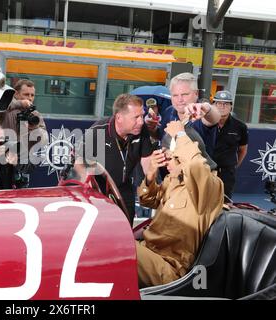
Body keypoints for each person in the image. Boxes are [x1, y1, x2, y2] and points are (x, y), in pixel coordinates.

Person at [135, 120, 224, 288]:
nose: (166, 163)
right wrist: (151, 174)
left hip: (170, 267)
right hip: (149, 251)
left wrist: (180, 134)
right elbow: (148, 200)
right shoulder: (174, 180)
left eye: (171, 157)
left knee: (118, 249)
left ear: (182, 157)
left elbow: (196, 164)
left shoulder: (209, 186)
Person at [80, 93, 154, 225]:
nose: (141, 121)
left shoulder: (142, 130)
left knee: (125, 230)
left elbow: (147, 162)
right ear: (119, 117)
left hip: (124, 189)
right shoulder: (98, 132)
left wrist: (152, 186)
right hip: (99, 193)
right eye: (136, 117)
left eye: (142, 116)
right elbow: (78, 167)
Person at [147, 72, 221, 157]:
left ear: (196, 93)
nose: (179, 99)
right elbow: (160, 136)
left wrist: (207, 108)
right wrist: (152, 128)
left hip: (193, 170)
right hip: (167, 169)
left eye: (184, 94)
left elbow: (215, 118)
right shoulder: (169, 111)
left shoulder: (200, 113)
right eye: (175, 95)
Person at [0, 79, 48, 188]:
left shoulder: (35, 115)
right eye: (26, 94)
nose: (30, 98)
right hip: (2, 162)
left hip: (23, 163)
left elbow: (45, 140)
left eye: (32, 95)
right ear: (16, 93)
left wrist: (34, 128)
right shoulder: (6, 109)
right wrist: (19, 104)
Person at [212, 90, 248, 204]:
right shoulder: (203, 123)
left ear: (231, 107)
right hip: (205, 171)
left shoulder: (240, 126)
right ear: (213, 105)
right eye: (218, 103)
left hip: (227, 174)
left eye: (226, 104)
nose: (222, 106)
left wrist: (233, 166)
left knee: (225, 205)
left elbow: (242, 150)